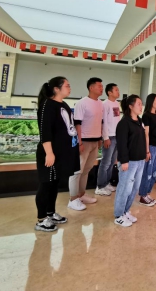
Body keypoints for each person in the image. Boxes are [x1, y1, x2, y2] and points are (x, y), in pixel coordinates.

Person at [35, 76, 80, 232]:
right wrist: (49, 153)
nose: (70, 88)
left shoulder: (64, 105)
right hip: (50, 153)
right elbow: (44, 132)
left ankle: (50, 213)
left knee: (54, 184)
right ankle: (41, 219)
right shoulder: (47, 105)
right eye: (67, 85)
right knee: (46, 184)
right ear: (56, 88)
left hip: (61, 154)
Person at [68, 77, 104, 211]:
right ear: (91, 87)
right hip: (84, 141)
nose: (101, 88)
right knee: (77, 171)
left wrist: (100, 138)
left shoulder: (100, 103)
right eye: (99, 86)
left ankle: (81, 195)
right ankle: (73, 199)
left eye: (102, 86)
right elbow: (77, 123)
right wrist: (79, 142)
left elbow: (100, 122)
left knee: (87, 169)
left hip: (95, 141)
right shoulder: (82, 103)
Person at [114, 95, 148, 227]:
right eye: (138, 104)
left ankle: (126, 211)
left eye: (141, 103)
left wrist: (145, 153)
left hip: (139, 161)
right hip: (129, 162)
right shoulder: (124, 123)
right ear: (130, 106)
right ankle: (118, 215)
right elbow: (121, 144)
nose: (141, 106)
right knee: (124, 188)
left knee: (134, 188)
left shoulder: (139, 120)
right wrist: (124, 161)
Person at [95, 83, 121, 196]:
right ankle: (100, 186)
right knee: (105, 162)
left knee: (112, 162)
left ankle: (106, 183)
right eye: (116, 90)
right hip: (109, 136)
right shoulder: (105, 104)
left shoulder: (117, 103)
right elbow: (103, 122)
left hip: (116, 136)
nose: (118, 92)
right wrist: (105, 138)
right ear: (109, 92)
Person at [138, 94, 156, 206]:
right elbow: (146, 134)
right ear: (151, 102)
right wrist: (147, 151)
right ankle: (142, 195)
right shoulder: (146, 116)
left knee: (154, 172)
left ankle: (147, 193)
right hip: (151, 146)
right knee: (147, 171)